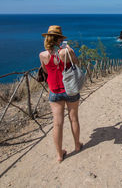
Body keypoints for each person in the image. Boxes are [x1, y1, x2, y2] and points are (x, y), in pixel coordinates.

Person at [39, 25, 83, 162]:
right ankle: (77, 145)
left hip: (54, 91)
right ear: (59, 40)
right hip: (70, 90)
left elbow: (46, 71)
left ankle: (59, 155)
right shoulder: (65, 52)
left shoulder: (43, 55)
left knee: (57, 123)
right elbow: (77, 63)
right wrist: (71, 52)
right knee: (74, 118)